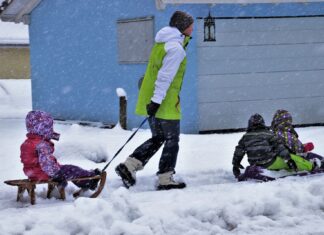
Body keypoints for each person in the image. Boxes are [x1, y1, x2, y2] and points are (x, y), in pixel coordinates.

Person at [115, 11, 194, 190]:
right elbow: (164, 77)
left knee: (158, 137)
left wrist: (153, 100)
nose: (192, 28)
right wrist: (157, 101)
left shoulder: (162, 44)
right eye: (190, 24)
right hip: (164, 100)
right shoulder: (175, 49)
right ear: (183, 27)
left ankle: (130, 165)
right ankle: (165, 178)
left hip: (154, 97)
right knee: (172, 140)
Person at [20, 110, 100, 190]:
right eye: (49, 127)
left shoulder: (27, 143)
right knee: (72, 170)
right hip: (46, 172)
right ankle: (90, 180)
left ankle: (88, 176)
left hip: (33, 173)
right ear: (43, 128)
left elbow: (29, 161)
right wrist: (57, 175)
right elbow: (46, 163)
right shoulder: (41, 145)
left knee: (67, 171)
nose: (51, 129)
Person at [232, 113, 315, 181]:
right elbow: (279, 147)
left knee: (281, 161)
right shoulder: (268, 134)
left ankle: (281, 169)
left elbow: (238, 152)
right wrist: (288, 159)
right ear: (262, 123)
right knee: (294, 159)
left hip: (255, 163)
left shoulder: (245, 137)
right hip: (270, 162)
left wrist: (236, 165)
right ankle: (311, 166)